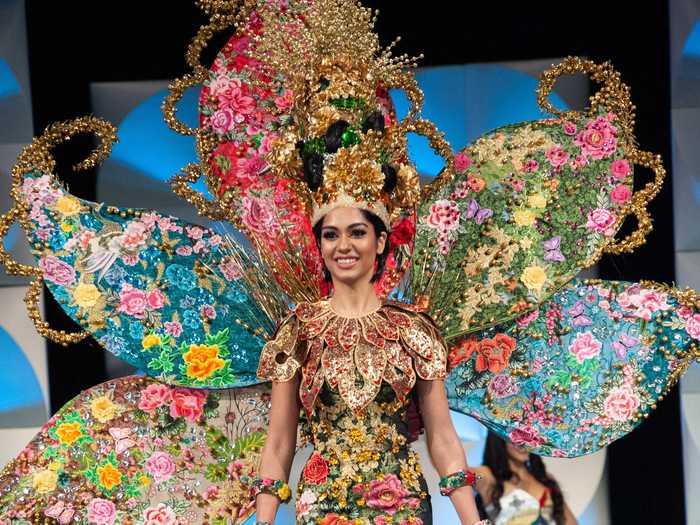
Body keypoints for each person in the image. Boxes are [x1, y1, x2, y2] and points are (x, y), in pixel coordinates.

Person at [253, 205, 485, 524]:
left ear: (380, 242)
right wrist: (263, 521)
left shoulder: (412, 328)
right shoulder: (299, 329)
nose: (344, 245)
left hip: (401, 501)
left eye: (357, 232)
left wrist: (472, 521)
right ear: (320, 246)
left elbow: (443, 436)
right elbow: (279, 440)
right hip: (324, 504)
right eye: (331, 235)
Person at [473, 433, 577, 525]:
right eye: (515, 437)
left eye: (527, 436)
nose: (523, 444)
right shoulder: (488, 476)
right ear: (499, 437)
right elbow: (458, 477)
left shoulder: (543, 478)